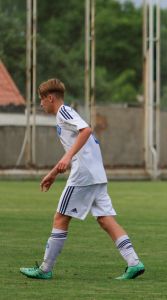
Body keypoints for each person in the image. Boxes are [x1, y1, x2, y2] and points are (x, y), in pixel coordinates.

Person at [19, 79, 145, 280]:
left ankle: (45, 269)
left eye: (41, 100)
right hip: (96, 174)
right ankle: (134, 262)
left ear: (50, 98)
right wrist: (53, 173)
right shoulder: (65, 115)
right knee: (105, 219)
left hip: (83, 175)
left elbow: (86, 130)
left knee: (60, 217)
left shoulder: (64, 112)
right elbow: (80, 144)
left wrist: (68, 158)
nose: (40, 104)